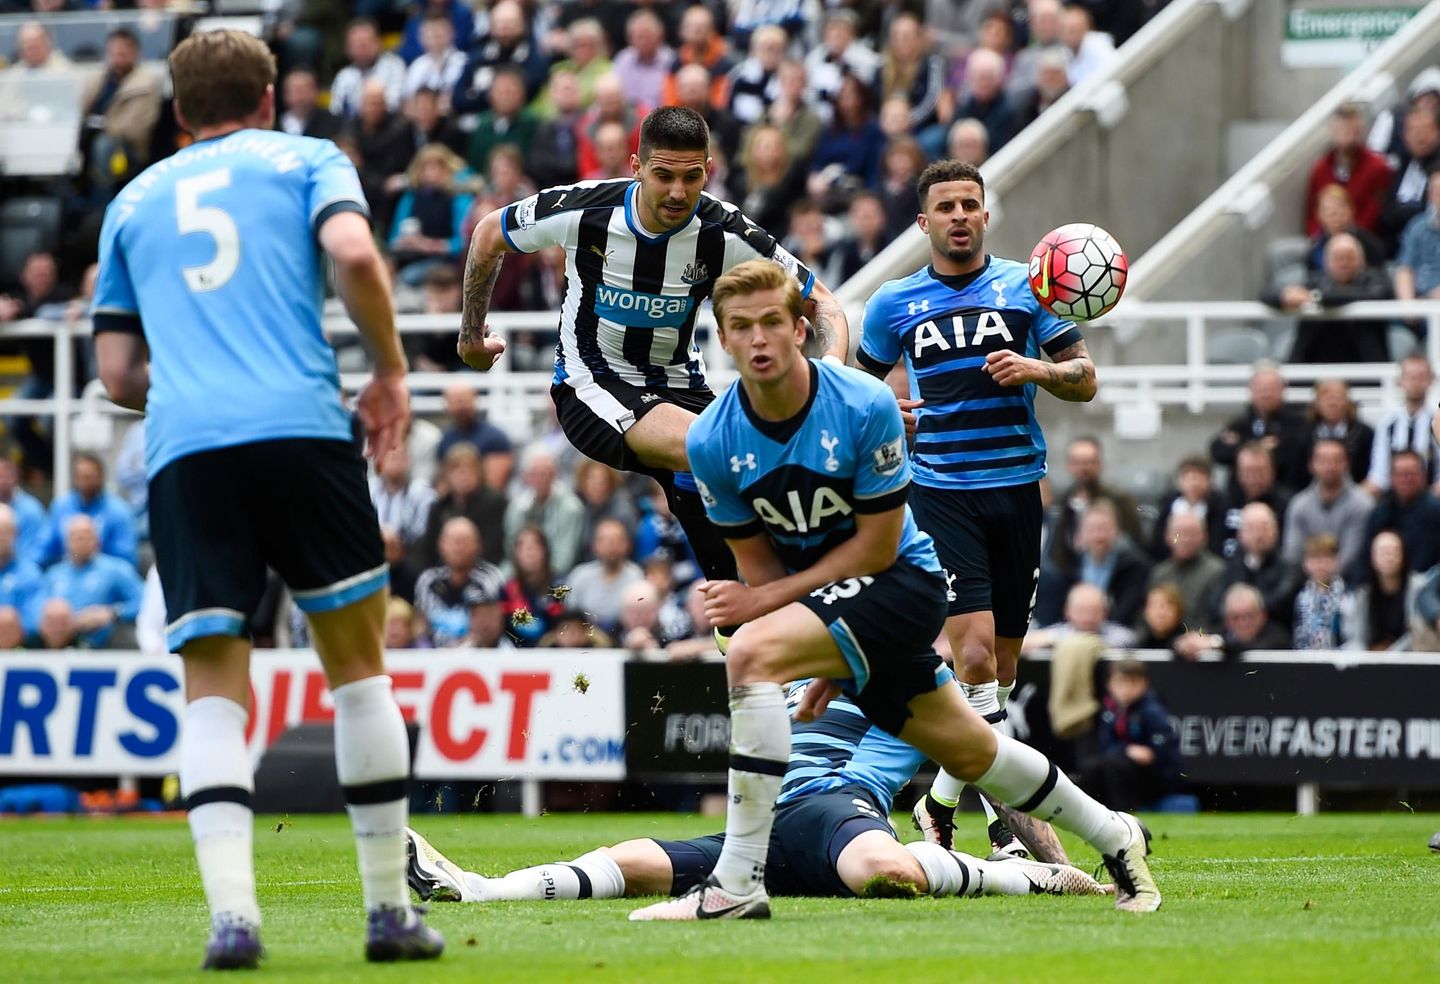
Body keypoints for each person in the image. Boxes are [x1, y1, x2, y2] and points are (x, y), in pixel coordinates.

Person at [626, 258, 1159, 921]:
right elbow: (761, 571)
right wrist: (821, 653)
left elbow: (876, 550)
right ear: (724, 340)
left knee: (749, 652)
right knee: (974, 750)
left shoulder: (862, 401)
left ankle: (736, 884)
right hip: (838, 607)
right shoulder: (710, 440)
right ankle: (1116, 835)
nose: (759, 338)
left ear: (800, 329)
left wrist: (775, 617)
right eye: (742, 326)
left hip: (903, 584)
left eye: (772, 322)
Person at [90, 30, 442, 966]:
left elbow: (117, 372)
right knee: (358, 669)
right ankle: (387, 914)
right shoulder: (308, 159)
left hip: (187, 450)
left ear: (178, 112)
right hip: (301, 427)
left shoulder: (132, 199)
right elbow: (355, 253)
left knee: (212, 691)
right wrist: (390, 372)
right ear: (270, 99)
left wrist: (195, 379)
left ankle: (234, 922)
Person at [456, 106, 849, 625]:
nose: (678, 192)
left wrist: (833, 376)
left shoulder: (723, 229)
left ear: (708, 170)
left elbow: (823, 304)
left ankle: (743, 637)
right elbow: (489, 232)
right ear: (637, 166)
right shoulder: (586, 209)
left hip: (682, 386)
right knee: (725, 447)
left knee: (735, 496)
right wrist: (470, 337)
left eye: (691, 177)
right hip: (592, 385)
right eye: (663, 175)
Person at [854, 159, 1099, 857]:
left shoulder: (1030, 286)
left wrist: (1037, 368)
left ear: (986, 215)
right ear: (923, 221)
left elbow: (1085, 377)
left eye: (970, 204)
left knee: (1002, 668)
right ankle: (1006, 826)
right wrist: (887, 409)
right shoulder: (893, 302)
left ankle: (937, 805)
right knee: (973, 656)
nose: (959, 216)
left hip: (1018, 489)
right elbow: (854, 391)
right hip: (941, 493)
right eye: (946, 206)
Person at [403, 681, 1109, 905]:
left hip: (840, 808)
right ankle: (479, 889)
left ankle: (1024, 878)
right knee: (633, 860)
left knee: (884, 870)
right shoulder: (788, 651)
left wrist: (950, 804)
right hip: (763, 826)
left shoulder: (913, 668)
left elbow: (982, 750)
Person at [1263, 233, 1392, 364]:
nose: (1344, 263)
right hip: (1313, 365)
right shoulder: (1315, 283)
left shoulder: (1375, 281)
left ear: (1361, 261)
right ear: (1326, 262)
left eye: (1350, 257)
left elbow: (1377, 295)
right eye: (1338, 258)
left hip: (1365, 365)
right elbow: (1267, 295)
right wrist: (1285, 296)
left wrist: (1315, 298)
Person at [1077, 661, 1183, 812]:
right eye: (1120, 684)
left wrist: (1146, 753)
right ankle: (1090, 813)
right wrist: (1126, 750)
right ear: (1109, 685)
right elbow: (1105, 746)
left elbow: (1157, 754)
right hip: (1119, 763)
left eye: (1132, 683)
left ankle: (1124, 812)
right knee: (1091, 768)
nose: (1125, 690)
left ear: (1143, 684)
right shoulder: (1109, 711)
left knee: (1115, 766)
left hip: (1153, 778)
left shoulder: (1152, 711)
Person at [36, 515, 144, 648]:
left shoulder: (116, 569)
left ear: (97, 540)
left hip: (103, 645)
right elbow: (37, 611)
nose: (79, 542)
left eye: (85, 537)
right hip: (59, 645)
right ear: (66, 542)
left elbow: (143, 601)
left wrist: (112, 613)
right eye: (74, 537)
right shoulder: (53, 575)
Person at [1280, 438, 1373, 574]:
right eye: (1323, 460)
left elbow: (1353, 555)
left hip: (1349, 580)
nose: (1330, 466)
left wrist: (1325, 580)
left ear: (1347, 464)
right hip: (1303, 580)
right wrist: (1314, 579)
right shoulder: (1299, 504)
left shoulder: (1362, 504)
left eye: (1336, 460)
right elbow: (1292, 554)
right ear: (1311, 464)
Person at [1208, 502, 1303, 633]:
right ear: (1240, 535)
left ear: (1276, 532)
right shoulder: (1231, 568)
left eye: (1264, 528)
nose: (1259, 535)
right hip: (1233, 636)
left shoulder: (1290, 569)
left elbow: (1281, 602)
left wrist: (1244, 610)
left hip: (1276, 636)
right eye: (1251, 528)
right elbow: (1214, 605)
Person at [413, 517, 506, 647]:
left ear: (478, 545)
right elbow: (421, 623)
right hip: (433, 654)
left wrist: (459, 650)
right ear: (441, 545)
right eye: (453, 541)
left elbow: (489, 628)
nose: (458, 547)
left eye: (465, 541)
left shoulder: (490, 579)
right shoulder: (428, 581)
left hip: (479, 653)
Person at [1304, 104, 1393, 237]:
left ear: (1361, 130)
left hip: (1362, 240)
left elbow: (1373, 215)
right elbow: (1312, 215)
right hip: (1324, 239)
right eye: (1342, 131)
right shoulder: (1320, 169)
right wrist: (1320, 239)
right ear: (1332, 131)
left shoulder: (1378, 168)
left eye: (1353, 131)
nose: (1348, 138)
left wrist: (1346, 236)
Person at [39, 452, 138, 567]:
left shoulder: (119, 511)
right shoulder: (61, 506)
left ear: (101, 477)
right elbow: (43, 549)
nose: (84, 482)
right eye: (80, 477)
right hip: (67, 571)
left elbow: (126, 559)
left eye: (89, 477)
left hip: (105, 573)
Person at [1365, 355, 1439, 495]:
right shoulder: (1388, 424)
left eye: (1421, 376)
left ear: (1431, 380)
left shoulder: (1437, 422)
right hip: (1393, 499)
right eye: (1410, 376)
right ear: (1400, 381)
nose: (1415, 381)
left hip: (1433, 498)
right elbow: (1379, 475)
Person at [1362, 450, 1440, 576]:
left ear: (1423, 476)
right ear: (1391, 477)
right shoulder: (1380, 512)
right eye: (1400, 474)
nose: (1405, 479)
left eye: (1411, 474)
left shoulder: (1435, 513)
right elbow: (1365, 557)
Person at [565, 517, 644, 636]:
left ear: (628, 544)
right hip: (584, 637)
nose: (611, 545)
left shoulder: (636, 576)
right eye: (604, 540)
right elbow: (570, 615)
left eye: (617, 540)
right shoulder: (580, 575)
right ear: (593, 545)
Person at [1146, 512, 1225, 626]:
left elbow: (1213, 619)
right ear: (1167, 536)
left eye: (1192, 533)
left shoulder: (1217, 572)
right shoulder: (1159, 573)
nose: (1186, 539)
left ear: (1204, 536)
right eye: (1179, 534)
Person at [1177, 583, 1292, 659]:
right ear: (1226, 620)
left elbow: (1246, 649)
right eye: (1236, 617)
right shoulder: (1219, 631)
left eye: (1249, 615)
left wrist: (1216, 644)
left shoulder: (1278, 636)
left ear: (1263, 615)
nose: (1243, 623)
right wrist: (1187, 643)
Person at [1351, 529, 1420, 650]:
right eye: (1383, 552)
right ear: (1372, 557)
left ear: (1403, 555)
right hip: (1370, 656)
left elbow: (1416, 633)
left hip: (1409, 656)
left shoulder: (1417, 588)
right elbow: (1358, 636)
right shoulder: (1364, 592)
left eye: (1394, 551)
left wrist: (1388, 654)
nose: (1389, 557)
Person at [1148, 455, 1227, 560]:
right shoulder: (1169, 506)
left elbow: (1217, 541)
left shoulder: (1218, 508)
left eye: (1199, 478)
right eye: (1189, 479)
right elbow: (1160, 539)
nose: (1194, 484)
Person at [329, 18, 406, 117]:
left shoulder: (394, 66)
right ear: (348, 48)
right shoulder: (344, 76)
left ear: (379, 43)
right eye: (357, 43)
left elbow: (394, 105)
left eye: (366, 42)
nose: (362, 47)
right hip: (352, 124)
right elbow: (335, 111)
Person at [1291, 533, 1352, 650]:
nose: (1321, 565)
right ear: (1306, 563)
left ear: (1336, 561)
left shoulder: (1347, 594)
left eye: (1327, 558)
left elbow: (1350, 634)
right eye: (1315, 559)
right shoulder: (1301, 596)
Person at [1395, 170, 1440, 300]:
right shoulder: (1417, 226)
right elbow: (1404, 269)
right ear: (1430, 195)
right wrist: (1408, 305)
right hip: (1420, 301)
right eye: (1437, 192)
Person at [276, 68, 341, 140]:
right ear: (285, 94)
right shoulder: (276, 124)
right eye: (295, 91)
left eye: (304, 90)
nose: (300, 97)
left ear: (316, 91)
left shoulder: (331, 123)